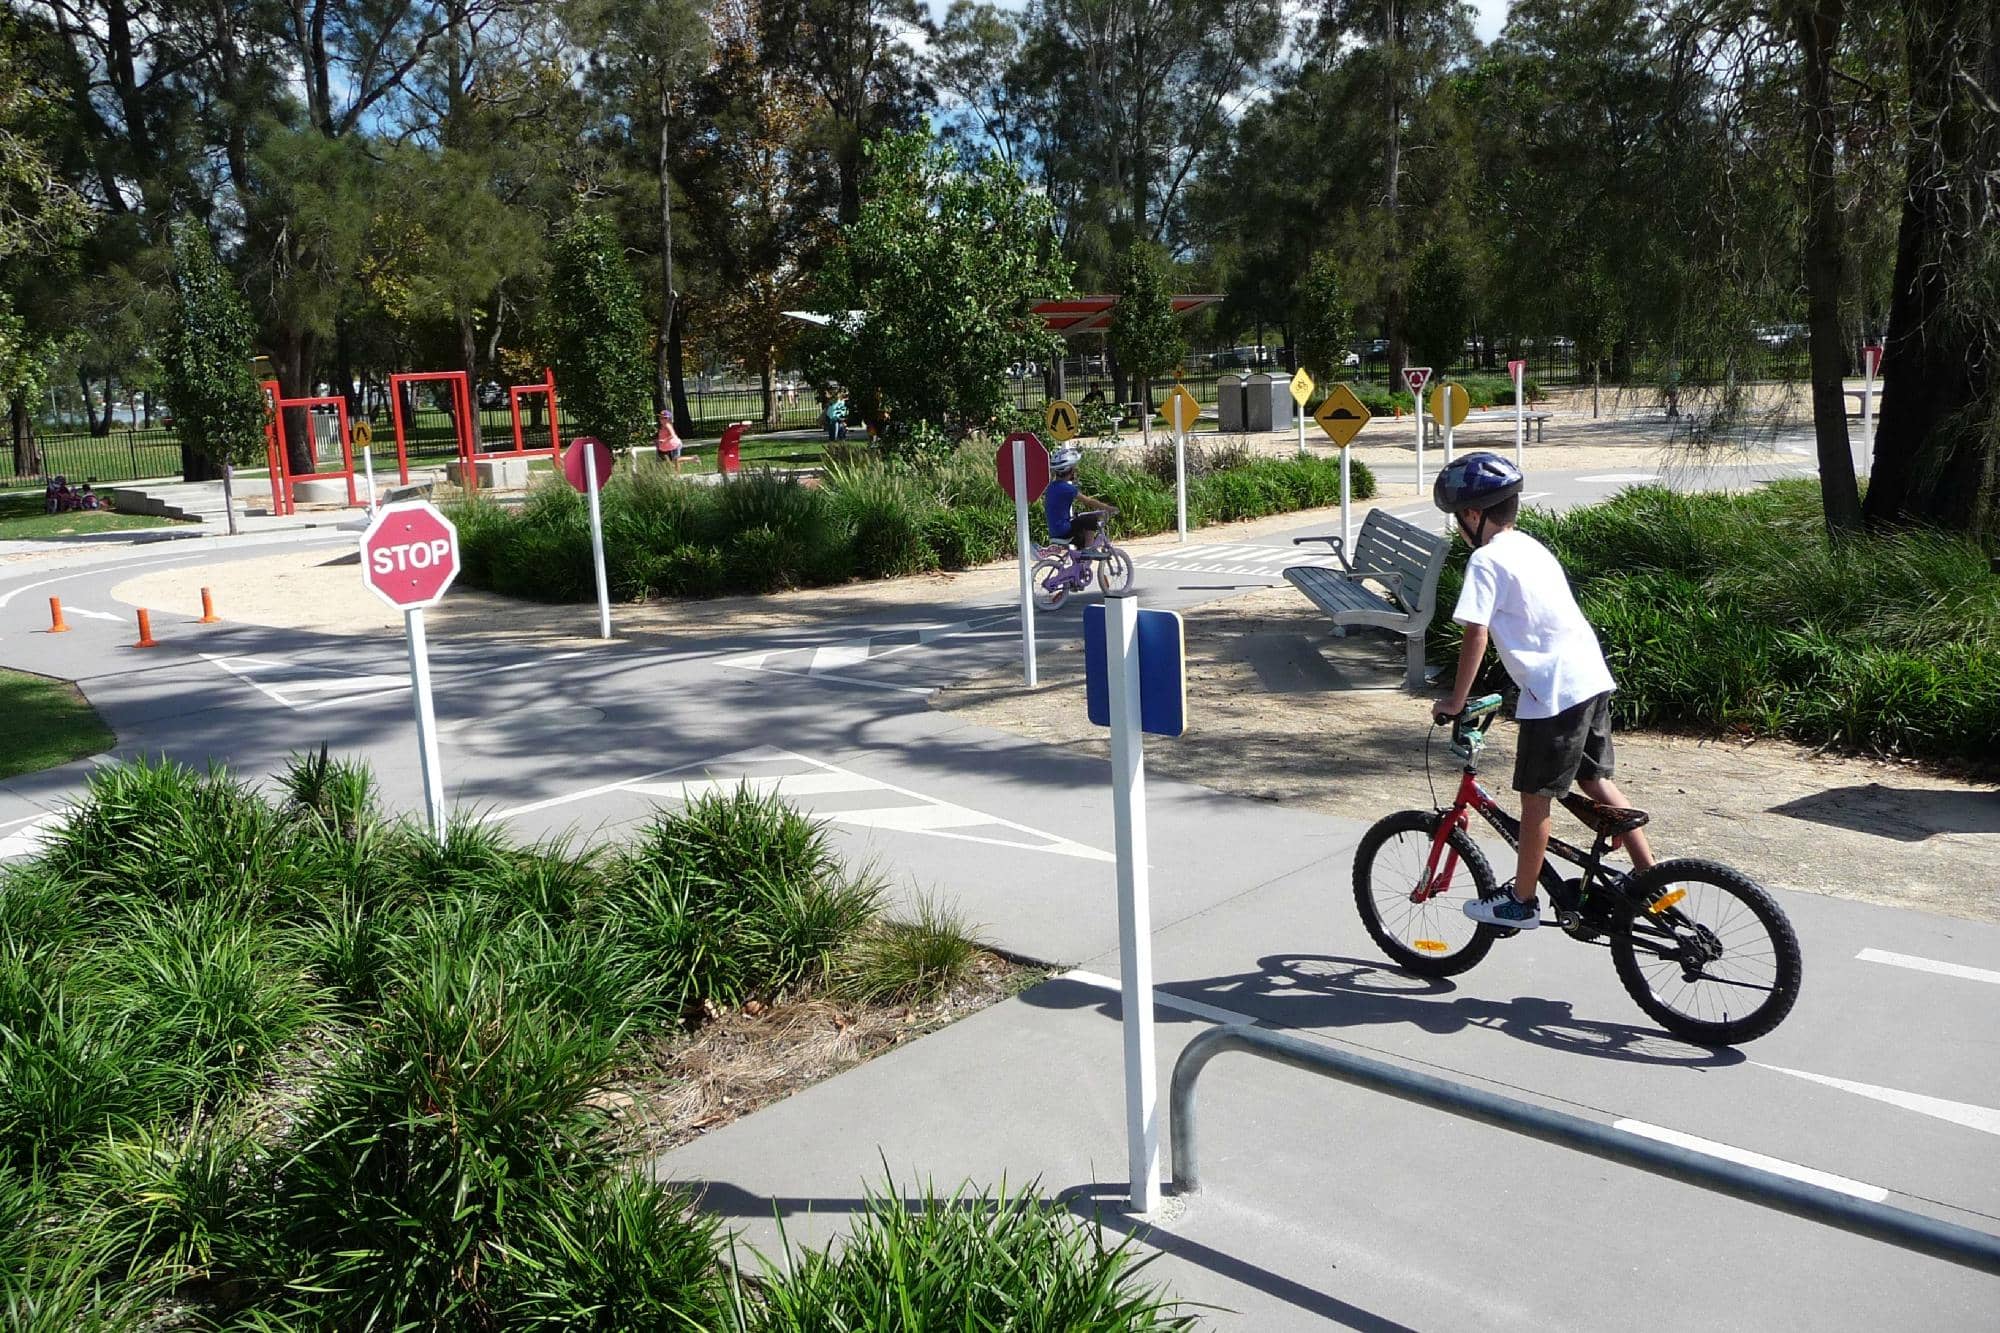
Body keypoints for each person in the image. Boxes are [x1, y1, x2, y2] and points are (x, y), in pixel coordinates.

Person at [1429, 452, 1655, 930]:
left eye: (1457, 518)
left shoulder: (1486, 560)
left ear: (1473, 515)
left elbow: (1477, 634)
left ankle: (1522, 901)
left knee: (1535, 799)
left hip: (1552, 694)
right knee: (1594, 781)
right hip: (1590, 679)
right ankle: (1651, 879)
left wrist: (1454, 701)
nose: (1458, 528)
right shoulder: (1531, 546)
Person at [1042, 446, 1111, 548]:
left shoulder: (1051, 486)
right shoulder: (1068, 488)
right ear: (1070, 470)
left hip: (1054, 531)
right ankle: (1089, 550)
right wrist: (1108, 508)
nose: (1076, 470)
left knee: (1080, 536)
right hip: (1064, 530)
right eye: (1074, 468)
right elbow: (1088, 502)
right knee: (1091, 520)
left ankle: (1080, 560)